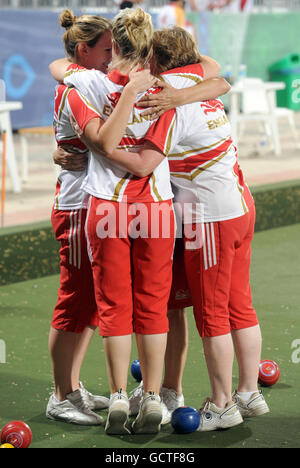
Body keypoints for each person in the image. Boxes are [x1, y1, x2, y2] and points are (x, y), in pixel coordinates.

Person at [66, 26, 269, 431]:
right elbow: (220, 76)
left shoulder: (164, 96)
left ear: (152, 60)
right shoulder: (199, 80)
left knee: (210, 314)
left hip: (204, 215)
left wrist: (97, 152)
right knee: (236, 304)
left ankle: (223, 404)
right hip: (236, 202)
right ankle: (247, 392)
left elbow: (142, 163)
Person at [47, 9, 153, 427]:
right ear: (82, 51)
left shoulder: (88, 80)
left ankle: (71, 386)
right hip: (76, 207)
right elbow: (98, 141)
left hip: (88, 202)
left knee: (91, 304)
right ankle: (60, 394)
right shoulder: (77, 84)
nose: (113, 58)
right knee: (74, 302)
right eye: (107, 50)